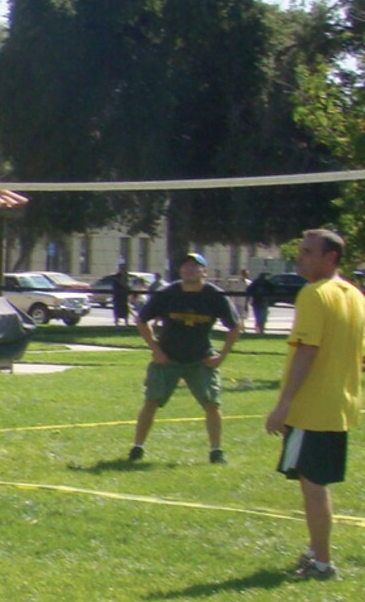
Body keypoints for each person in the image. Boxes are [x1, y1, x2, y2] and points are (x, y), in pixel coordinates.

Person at [264, 228, 365, 580]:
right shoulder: (354, 294)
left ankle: (322, 563)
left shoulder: (314, 294)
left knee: (312, 486)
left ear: (330, 258)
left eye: (308, 252)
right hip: (341, 405)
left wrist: (284, 404)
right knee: (314, 481)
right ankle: (314, 549)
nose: (300, 257)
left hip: (313, 408)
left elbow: (308, 351)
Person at [127, 252, 240, 464]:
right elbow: (142, 321)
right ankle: (137, 448)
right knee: (151, 401)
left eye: (195, 266)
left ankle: (216, 451)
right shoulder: (168, 293)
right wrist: (155, 350)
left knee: (212, 403)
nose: (189, 270)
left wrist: (222, 356)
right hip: (167, 358)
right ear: (180, 271)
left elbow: (235, 327)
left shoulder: (214, 296)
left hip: (200, 359)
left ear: (204, 271)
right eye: (185, 266)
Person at [111, 263, 132, 327]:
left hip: (124, 297)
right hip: (118, 296)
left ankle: (126, 324)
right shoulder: (116, 277)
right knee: (117, 310)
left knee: (125, 310)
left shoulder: (126, 277)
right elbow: (115, 287)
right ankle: (117, 324)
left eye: (124, 268)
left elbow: (128, 286)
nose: (123, 270)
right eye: (122, 268)